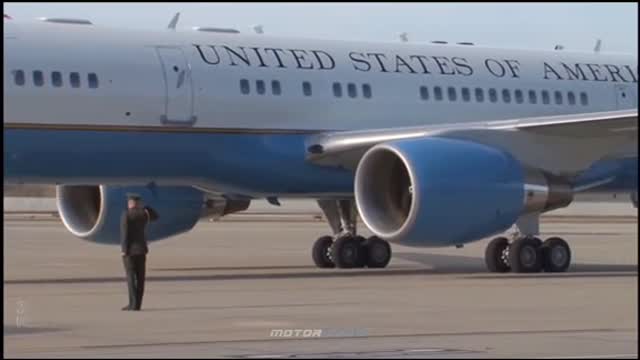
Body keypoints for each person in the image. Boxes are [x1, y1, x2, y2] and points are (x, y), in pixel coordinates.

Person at [120, 194, 158, 311]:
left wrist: (124, 250)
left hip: (130, 251)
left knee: (131, 278)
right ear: (138, 203)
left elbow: (125, 234)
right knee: (141, 279)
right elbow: (155, 216)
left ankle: (132, 304)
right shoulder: (144, 214)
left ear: (130, 203)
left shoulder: (126, 214)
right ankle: (138, 305)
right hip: (142, 250)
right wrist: (145, 207)